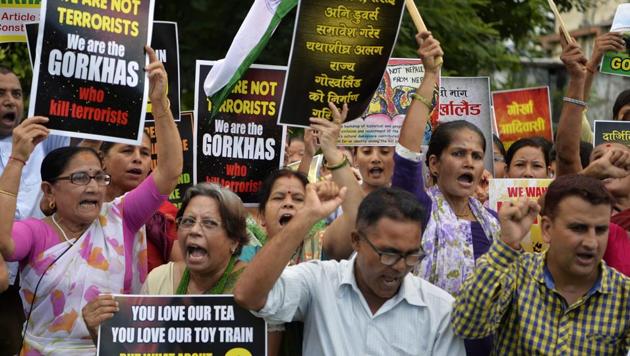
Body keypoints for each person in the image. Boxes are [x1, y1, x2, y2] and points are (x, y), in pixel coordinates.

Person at [0, 46, 182, 354]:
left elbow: (169, 171)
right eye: (80, 179)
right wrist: (17, 159)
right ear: (49, 192)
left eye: (99, 177)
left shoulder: (120, 217)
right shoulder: (36, 232)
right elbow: (3, 241)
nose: (94, 188)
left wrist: (160, 104)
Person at [234, 185, 465, 355]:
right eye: (388, 254)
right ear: (356, 240)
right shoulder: (318, 281)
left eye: (411, 255)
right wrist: (307, 216)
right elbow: (248, 294)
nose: (400, 266)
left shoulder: (440, 310)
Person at [452, 174, 630, 354]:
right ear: (547, 229)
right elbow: (467, 326)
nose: (591, 242)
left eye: (600, 230)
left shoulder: (624, 294)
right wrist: (506, 245)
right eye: (578, 228)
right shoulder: (515, 274)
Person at [392, 32, 500, 296]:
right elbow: (406, 154)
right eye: (459, 154)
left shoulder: (495, 222)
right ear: (434, 164)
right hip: (429, 335)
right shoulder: (420, 208)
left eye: (476, 156)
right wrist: (430, 76)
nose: (469, 163)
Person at [82, 183, 249, 339]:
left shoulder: (252, 289)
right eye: (188, 221)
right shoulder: (159, 280)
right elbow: (137, 350)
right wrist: (101, 334)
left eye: (209, 223)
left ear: (234, 240)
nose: (194, 230)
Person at [0, 66, 70, 353]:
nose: (10, 100)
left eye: (16, 93)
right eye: (0, 93)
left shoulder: (45, 141)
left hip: (40, 276)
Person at [99, 136, 182, 272]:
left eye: (145, 153)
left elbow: (186, 274)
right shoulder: (81, 209)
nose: (137, 158)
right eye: (127, 151)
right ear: (102, 159)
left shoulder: (164, 215)